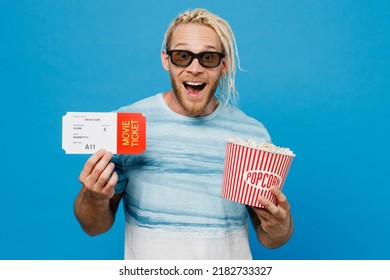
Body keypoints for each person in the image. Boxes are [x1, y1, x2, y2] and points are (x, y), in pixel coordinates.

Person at [74, 8, 293, 260]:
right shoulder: (128, 125)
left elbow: (270, 237)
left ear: (223, 64)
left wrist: (280, 226)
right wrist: (93, 196)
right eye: (182, 56)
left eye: (208, 57)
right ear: (166, 60)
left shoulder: (252, 134)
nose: (195, 68)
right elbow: (94, 226)